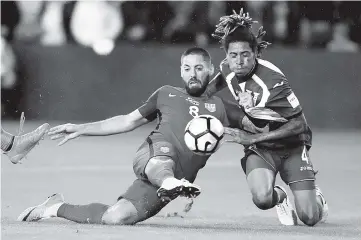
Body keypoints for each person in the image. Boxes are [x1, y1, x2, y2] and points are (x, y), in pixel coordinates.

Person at [18, 47, 229, 225]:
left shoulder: (221, 108)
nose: (192, 73)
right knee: (163, 158)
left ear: (210, 69)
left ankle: (54, 207)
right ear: (181, 72)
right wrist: (82, 129)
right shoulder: (167, 94)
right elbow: (128, 121)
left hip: (179, 179)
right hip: (152, 155)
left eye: (199, 68)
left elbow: (256, 125)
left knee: (116, 217)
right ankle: (168, 181)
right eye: (187, 68)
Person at [206, 9, 328, 226]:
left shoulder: (273, 81)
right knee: (262, 199)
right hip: (263, 147)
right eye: (233, 55)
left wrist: (252, 138)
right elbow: (221, 79)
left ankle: (316, 198)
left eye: (246, 54)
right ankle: (280, 197)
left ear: (256, 53)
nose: (239, 61)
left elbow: (299, 124)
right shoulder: (228, 66)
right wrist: (201, 96)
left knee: (309, 217)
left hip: (291, 145)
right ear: (227, 56)